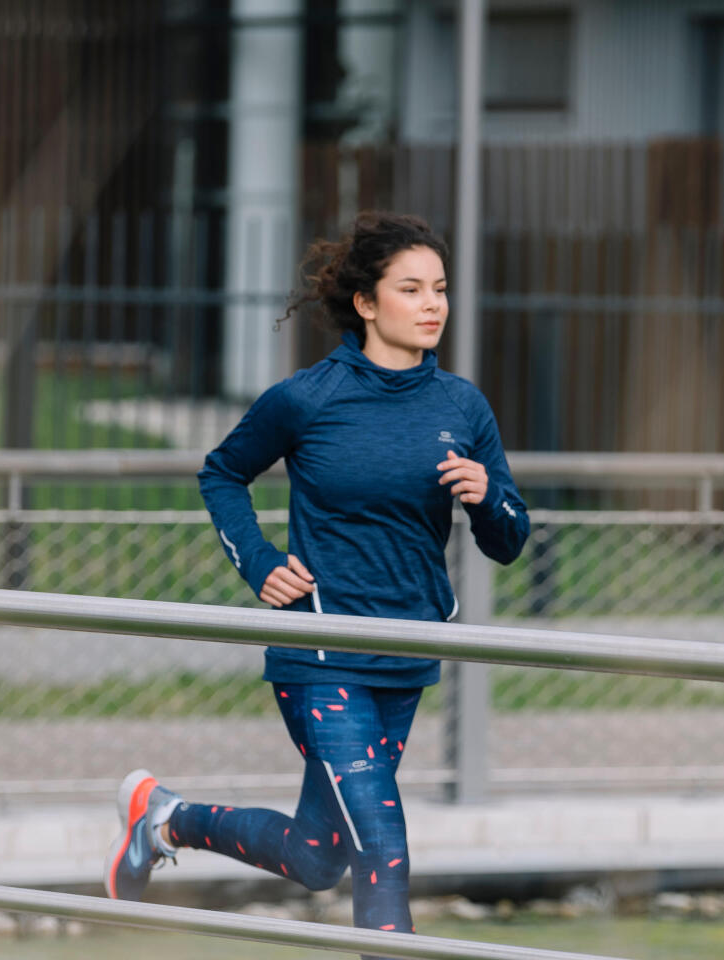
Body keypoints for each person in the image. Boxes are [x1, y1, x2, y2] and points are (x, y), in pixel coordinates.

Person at [105, 211, 530, 949]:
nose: (432, 305)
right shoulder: (307, 398)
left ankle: (162, 816)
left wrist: (484, 492)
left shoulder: (463, 407)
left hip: (403, 660)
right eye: (411, 289)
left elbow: (509, 540)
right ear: (366, 304)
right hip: (319, 656)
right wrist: (261, 563)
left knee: (316, 856)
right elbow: (223, 473)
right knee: (382, 851)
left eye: (440, 289)